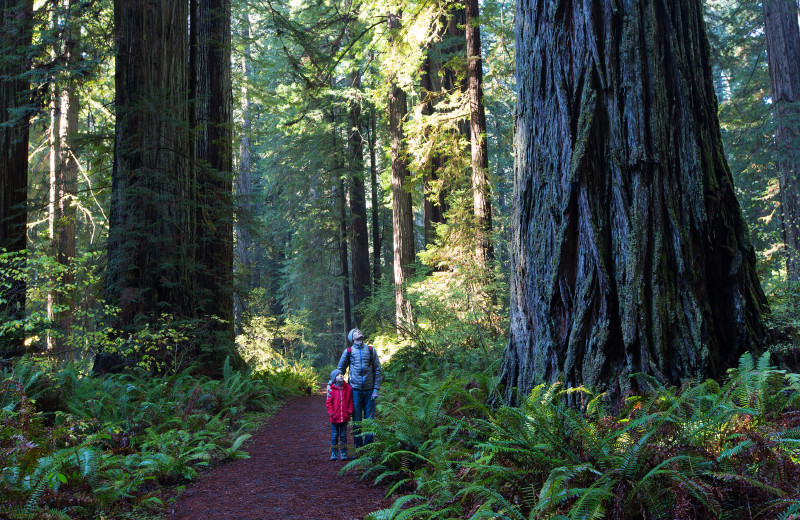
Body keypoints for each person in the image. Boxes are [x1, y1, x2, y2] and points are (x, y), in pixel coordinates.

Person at [336, 328, 382, 447]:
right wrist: (335, 384)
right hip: (354, 391)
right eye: (355, 331)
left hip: (370, 391)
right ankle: (359, 448)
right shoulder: (349, 351)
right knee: (357, 421)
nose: (359, 331)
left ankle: (369, 448)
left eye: (359, 330)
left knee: (370, 421)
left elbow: (377, 370)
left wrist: (376, 389)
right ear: (352, 337)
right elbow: (340, 370)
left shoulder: (371, 350)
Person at [326, 369, 354, 460]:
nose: (341, 376)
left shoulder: (348, 388)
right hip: (335, 417)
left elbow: (350, 400)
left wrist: (350, 410)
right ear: (334, 378)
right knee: (335, 435)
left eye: (341, 374)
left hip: (345, 417)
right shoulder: (332, 389)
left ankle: (343, 453)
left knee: (343, 435)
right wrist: (331, 413)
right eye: (338, 375)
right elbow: (329, 403)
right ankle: (334, 453)